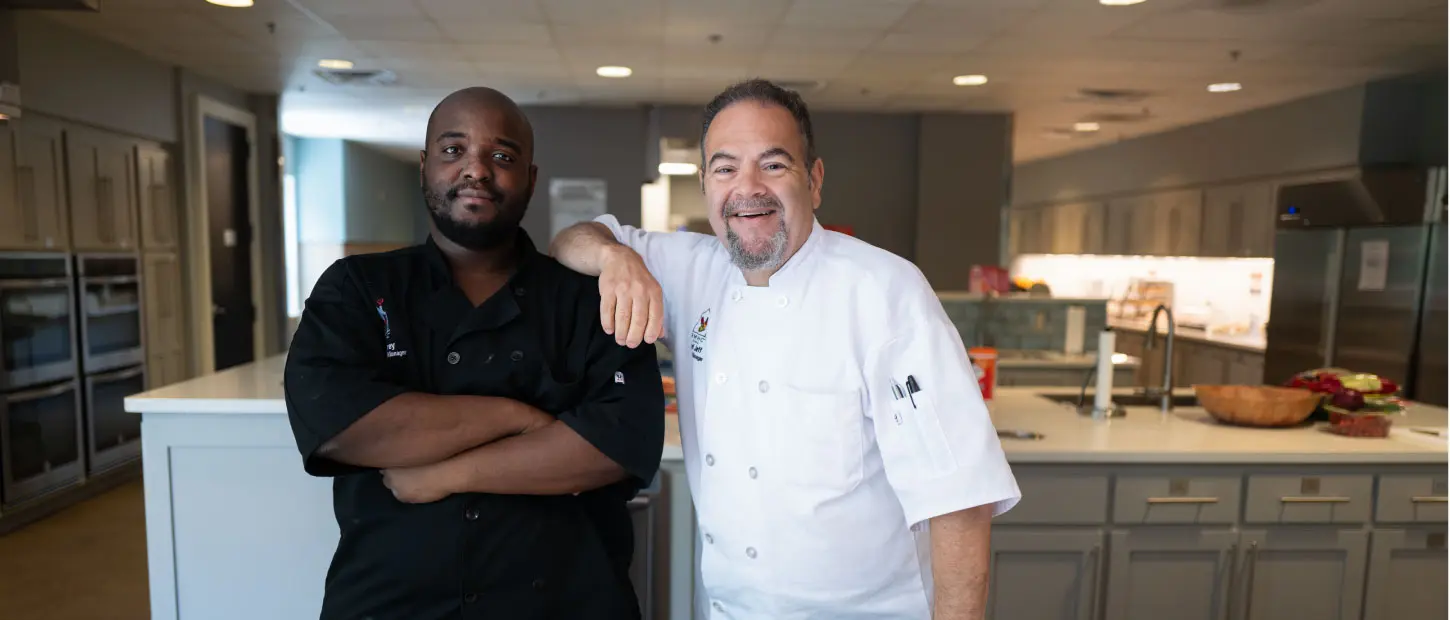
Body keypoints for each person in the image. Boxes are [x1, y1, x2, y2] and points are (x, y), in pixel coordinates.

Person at [550, 78, 1020, 619]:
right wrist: (615, 259)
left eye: (773, 165)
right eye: (725, 168)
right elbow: (572, 238)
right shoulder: (690, 268)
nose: (747, 188)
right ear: (706, 184)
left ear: (814, 180)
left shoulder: (885, 291)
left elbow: (958, 500)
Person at [283, 86, 665, 620]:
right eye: (453, 150)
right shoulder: (357, 287)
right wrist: (517, 418)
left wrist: (441, 474)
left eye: (502, 157)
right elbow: (340, 423)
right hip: (391, 604)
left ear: (530, 178)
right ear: (424, 166)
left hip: (566, 602)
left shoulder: (589, 298)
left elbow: (618, 444)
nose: (477, 171)